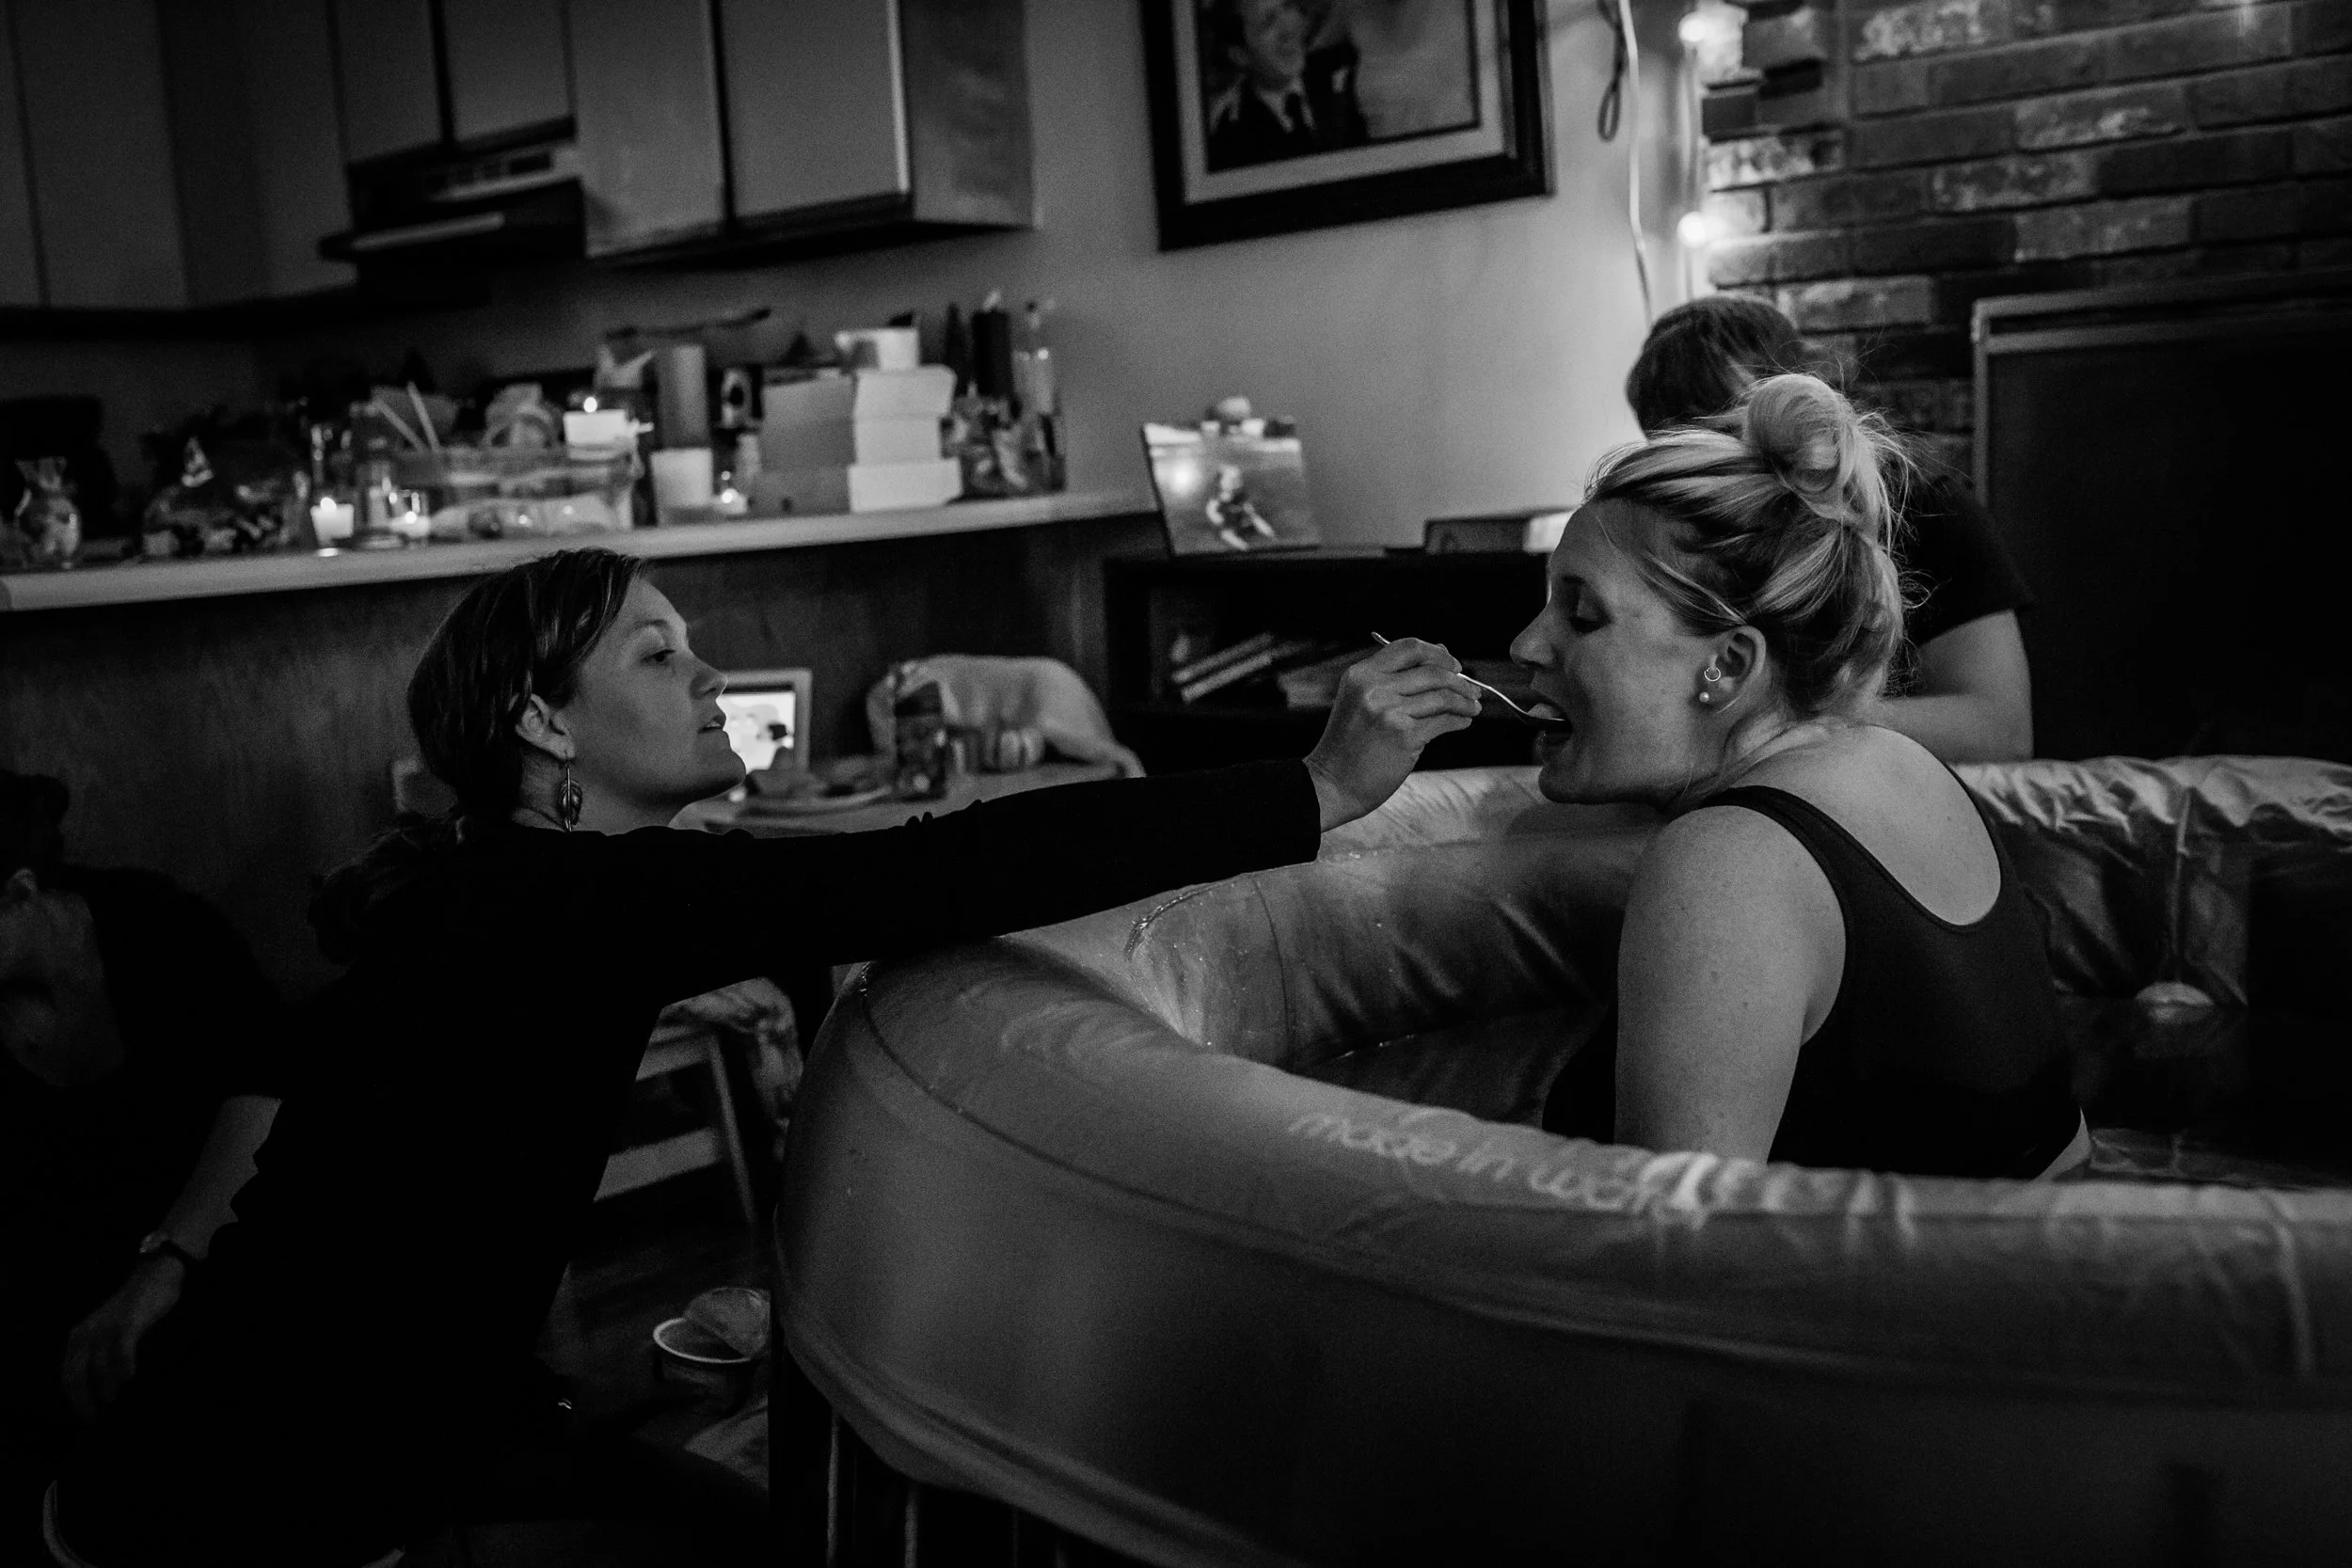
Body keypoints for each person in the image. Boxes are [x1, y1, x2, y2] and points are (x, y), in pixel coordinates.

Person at [49, 546, 1481, 1566]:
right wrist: (1313, 785)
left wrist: (169, 1260)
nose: (708, 668)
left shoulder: (486, 882)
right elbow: (944, 868)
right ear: (543, 723)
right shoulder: (574, 901)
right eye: (655, 652)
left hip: (275, 1425)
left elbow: (288, 1071)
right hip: (258, 1499)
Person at [1520, 374, 2084, 1178]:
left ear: (1726, 665)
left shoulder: (1726, 860)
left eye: (1582, 616)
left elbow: (1669, 1239)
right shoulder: (1897, 765)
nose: (1527, 644)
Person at [0, 772, 285, 1559]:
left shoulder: (154, 924)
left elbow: (269, 1083)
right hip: (68, 1365)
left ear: (20, 894)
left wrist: (167, 1263)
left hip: (224, 1264)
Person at [1624, 294, 2035, 763]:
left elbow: (1998, 728)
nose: (1704, 472)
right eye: (1679, 452)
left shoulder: (1925, 506)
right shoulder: (1684, 531)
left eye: (1724, 431)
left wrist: (1783, 717)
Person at [1203, 0, 1369, 171]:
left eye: (1287, 8)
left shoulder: (1343, 67)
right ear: (1240, 55)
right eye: (1268, 22)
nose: (1288, 29)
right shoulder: (1232, 139)